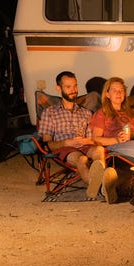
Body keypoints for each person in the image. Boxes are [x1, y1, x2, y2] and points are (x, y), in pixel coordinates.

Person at [37, 70, 108, 201]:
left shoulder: (86, 113)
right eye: (68, 87)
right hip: (65, 148)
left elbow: (92, 139)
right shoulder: (49, 112)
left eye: (75, 86)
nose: (73, 90)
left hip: (84, 145)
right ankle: (104, 186)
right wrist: (67, 143)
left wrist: (87, 141)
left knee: (99, 150)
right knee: (82, 160)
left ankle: (98, 187)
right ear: (58, 88)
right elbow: (47, 145)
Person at [90, 77, 134, 164]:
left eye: (121, 90)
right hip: (116, 145)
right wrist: (117, 140)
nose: (119, 93)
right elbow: (95, 139)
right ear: (107, 94)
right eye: (114, 90)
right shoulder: (102, 113)